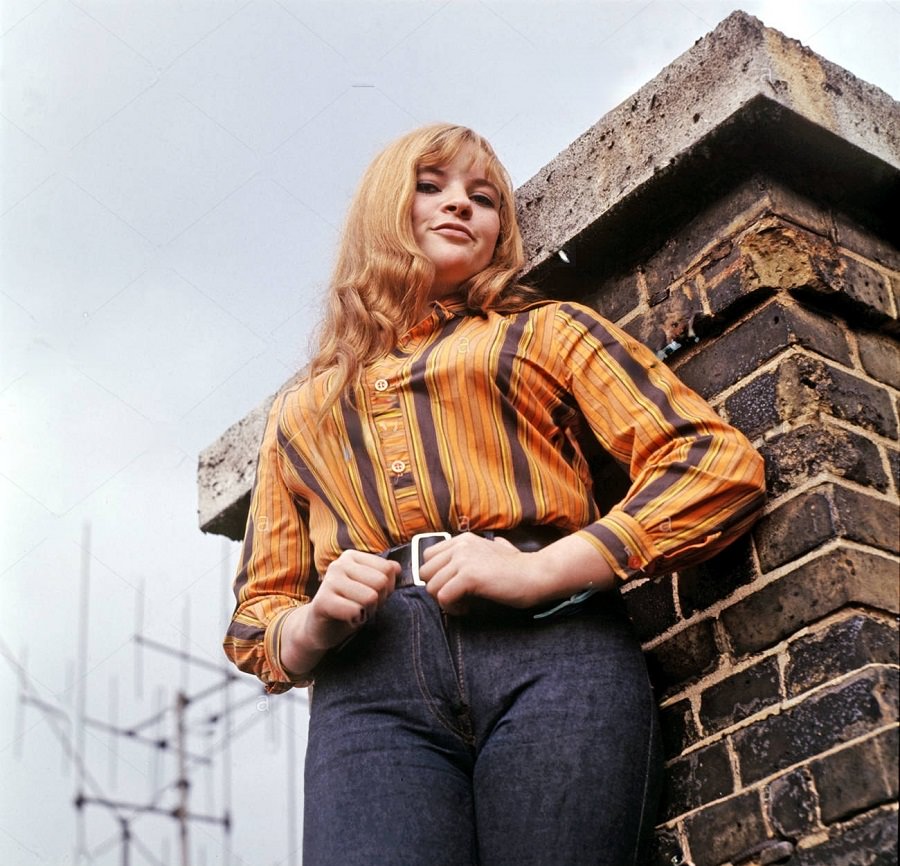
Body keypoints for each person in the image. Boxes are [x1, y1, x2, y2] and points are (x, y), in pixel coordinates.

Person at [224, 123, 766, 865]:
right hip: (368, 688)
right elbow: (259, 618)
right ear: (384, 206)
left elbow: (714, 463)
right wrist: (314, 624)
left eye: (484, 199)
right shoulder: (298, 414)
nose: (461, 207)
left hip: (555, 650)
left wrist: (542, 570)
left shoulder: (548, 333)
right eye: (431, 186)